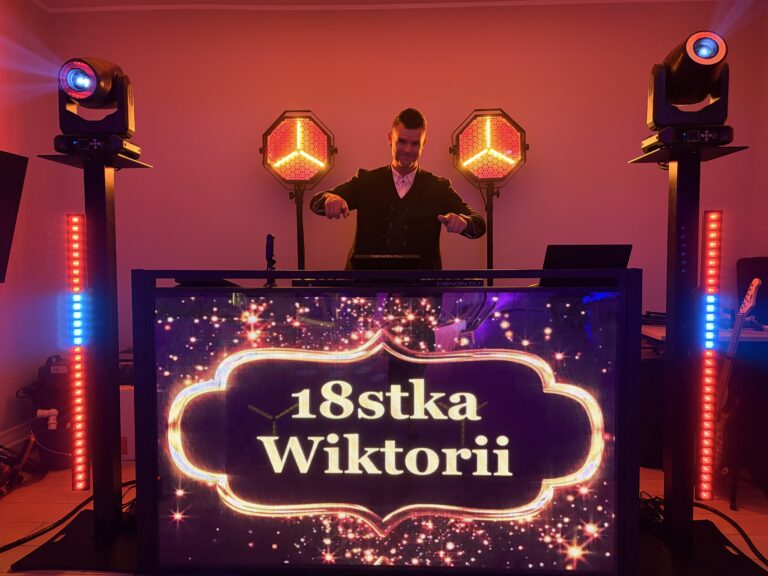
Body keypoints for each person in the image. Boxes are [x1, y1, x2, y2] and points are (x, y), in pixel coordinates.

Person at [309, 108, 486, 270]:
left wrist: (464, 223)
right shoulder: (366, 181)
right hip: (366, 284)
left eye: (415, 143)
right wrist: (330, 199)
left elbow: (478, 224)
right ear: (389, 139)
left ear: (424, 144)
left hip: (421, 286)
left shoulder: (438, 188)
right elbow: (316, 201)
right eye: (401, 141)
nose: (408, 150)